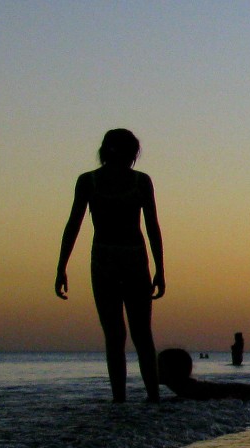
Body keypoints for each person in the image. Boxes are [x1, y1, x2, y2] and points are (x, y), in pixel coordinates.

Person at [56, 129, 164, 403]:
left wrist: (62, 266)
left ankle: (122, 401)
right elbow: (152, 227)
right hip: (129, 258)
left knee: (116, 335)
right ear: (132, 153)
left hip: (109, 259)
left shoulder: (92, 181)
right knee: (140, 333)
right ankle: (151, 399)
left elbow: (74, 226)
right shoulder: (135, 181)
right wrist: (160, 268)